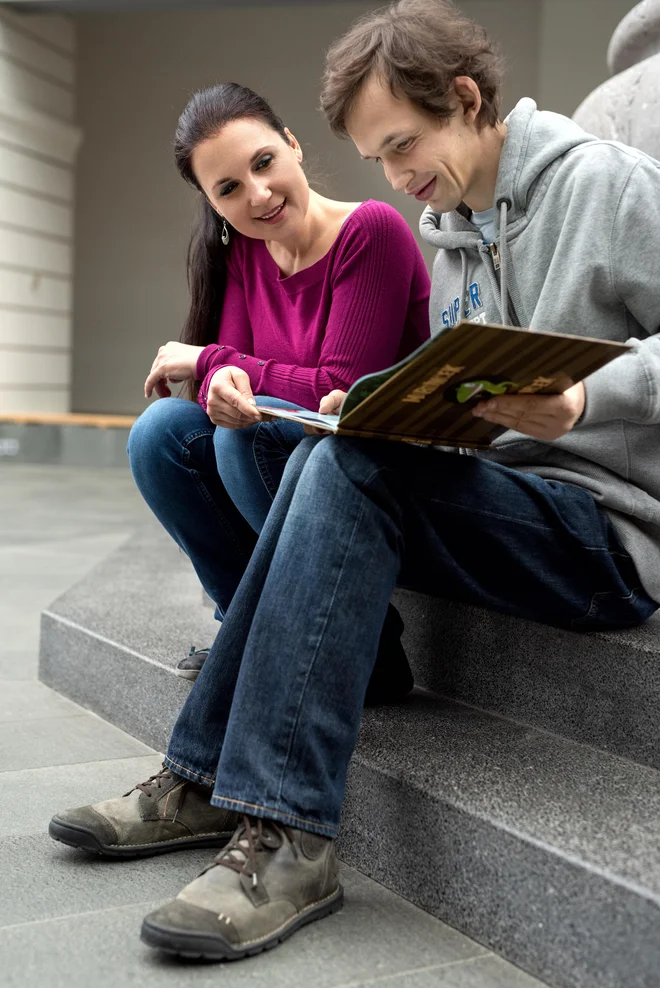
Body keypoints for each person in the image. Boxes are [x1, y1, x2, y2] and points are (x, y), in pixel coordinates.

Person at [50, 0, 660, 963]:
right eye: (377, 156)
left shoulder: (608, 185)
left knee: (343, 458)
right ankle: (211, 776)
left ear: (467, 99)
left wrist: (588, 398)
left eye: (403, 144)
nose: (393, 178)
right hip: (511, 501)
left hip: (609, 536)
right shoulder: (455, 226)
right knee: (337, 447)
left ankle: (283, 831)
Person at [125, 82, 430, 685]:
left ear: (291, 145)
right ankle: (248, 629)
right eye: (230, 189)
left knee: (246, 434)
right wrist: (222, 373)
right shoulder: (245, 251)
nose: (259, 195)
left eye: (263, 163)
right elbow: (236, 372)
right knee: (159, 431)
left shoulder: (371, 232)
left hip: (379, 476)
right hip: (286, 463)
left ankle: (366, 648)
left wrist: (211, 360)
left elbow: (339, 391)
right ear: (214, 204)